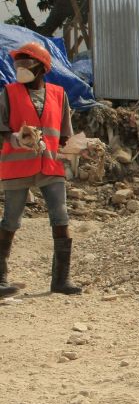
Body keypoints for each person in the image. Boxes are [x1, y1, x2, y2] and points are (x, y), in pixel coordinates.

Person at [0, 42, 79, 297]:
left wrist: (81, 147)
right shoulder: (8, 93)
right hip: (17, 166)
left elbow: (65, 134)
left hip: (51, 165)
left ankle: (61, 280)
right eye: (18, 63)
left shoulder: (59, 94)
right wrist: (16, 140)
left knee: (61, 218)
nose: (21, 68)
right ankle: (0, 279)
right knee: (11, 220)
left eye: (26, 63)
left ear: (42, 68)